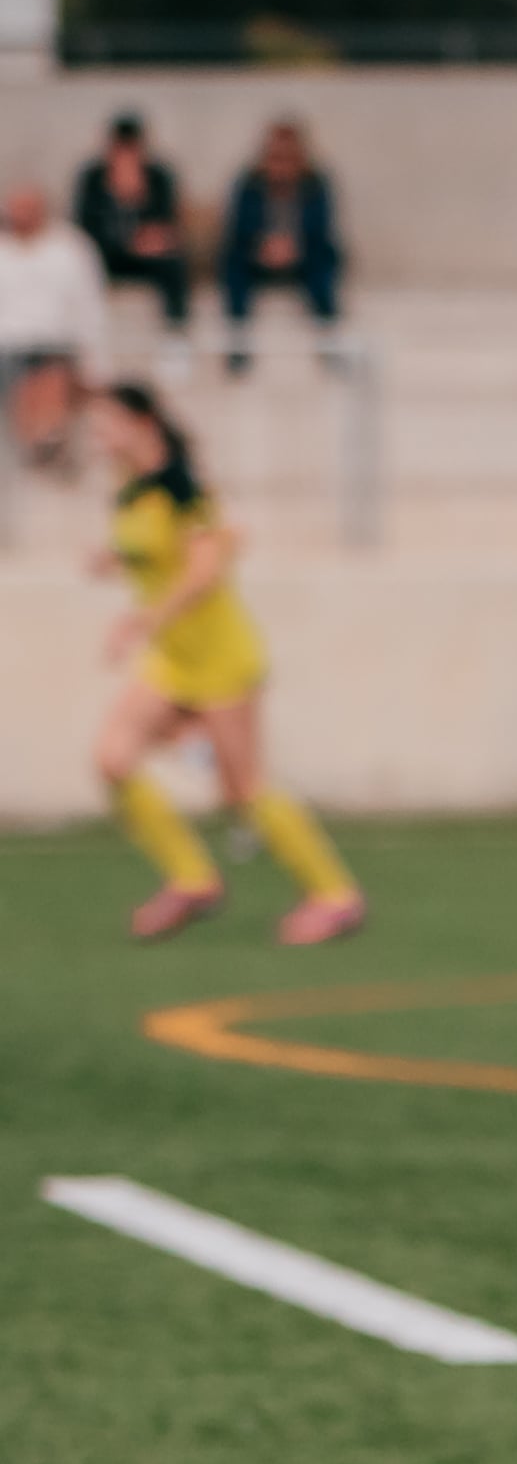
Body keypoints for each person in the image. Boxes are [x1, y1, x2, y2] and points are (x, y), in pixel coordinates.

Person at [89, 382, 361, 950]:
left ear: (143, 424)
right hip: (174, 662)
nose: (99, 434)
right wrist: (113, 559)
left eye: (109, 422)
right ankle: (193, 880)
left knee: (245, 790)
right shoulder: (130, 489)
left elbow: (204, 573)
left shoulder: (186, 490)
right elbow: (152, 548)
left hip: (220, 660)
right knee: (112, 759)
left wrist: (141, 621)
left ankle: (334, 896)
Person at [218, 121, 339, 367]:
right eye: (276, 157)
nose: (281, 164)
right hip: (258, 257)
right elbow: (238, 228)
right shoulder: (250, 184)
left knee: (324, 264)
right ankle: (238, 342)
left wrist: (295, 248)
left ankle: (328, 339)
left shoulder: (315, 185)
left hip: (303, 257)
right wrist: (262, 247)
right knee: (233, 264)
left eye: (288, 157)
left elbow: (321, 229)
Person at [0, 180, 105, 458]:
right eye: (15, 209)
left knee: (51, 372)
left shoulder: (71, 248)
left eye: (28, 208)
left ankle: (44, 439)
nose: (21, 216)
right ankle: (36, 441)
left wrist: (95, 363)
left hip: (57, 345)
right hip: (8, 348)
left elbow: (89, 306)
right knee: (20, 373)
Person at [77, 114, 186, 340]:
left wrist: (138, 199)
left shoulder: (158, 177)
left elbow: (166, 223)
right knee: (81, 264)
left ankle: (175, 334)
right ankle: (87, 333)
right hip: (106, 253)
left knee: (174, 265)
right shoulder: (93, 178)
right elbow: (86, 227)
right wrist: (116, 198)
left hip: (146, 255)